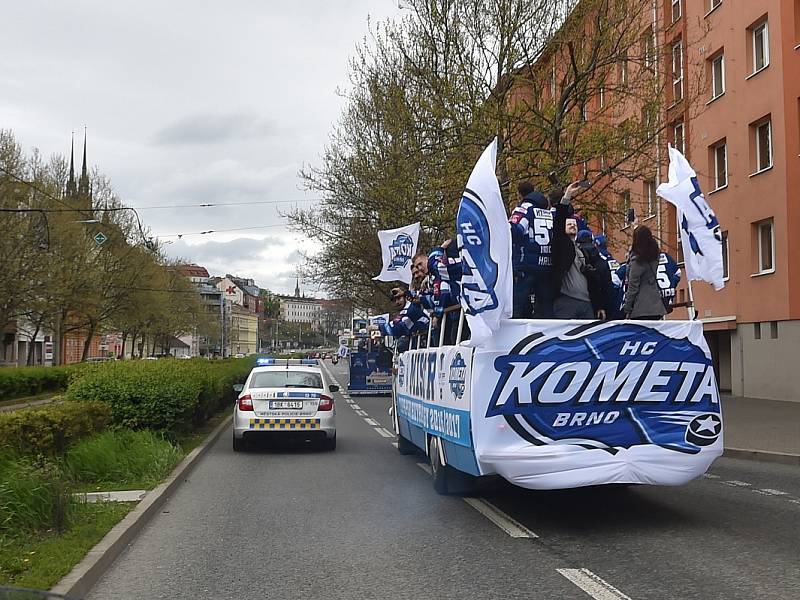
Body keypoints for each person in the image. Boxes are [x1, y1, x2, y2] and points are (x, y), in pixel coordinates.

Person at [551, 182, 612, 320]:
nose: (572, 224)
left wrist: (599, 306)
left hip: (587, 303)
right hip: (567, 302)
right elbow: (559, 222)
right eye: (569, 223)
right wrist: (567, 196)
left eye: (574, 223)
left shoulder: (584, 250)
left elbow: (594, 280)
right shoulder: (561, 245)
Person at [509, 182, 555, 318]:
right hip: (547, 266)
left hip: (526, 265)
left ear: (520, 193)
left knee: (516, 307)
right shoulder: (548, 212)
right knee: (546, 311)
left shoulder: (524, 209)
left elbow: (515, 231)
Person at [622, 225, 667, 320]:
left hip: (641, 308)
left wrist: (627, 308)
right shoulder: (655, 256)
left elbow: (633, 287)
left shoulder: (637, 261)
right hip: (656, 305)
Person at [374, 285, 430, 352]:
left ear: (405, 297)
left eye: (399, 298)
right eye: (394, 300)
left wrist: (378, 327)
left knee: (402, 345)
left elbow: (398, 328)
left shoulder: (409, 310)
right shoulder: (407, 308)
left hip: (427, 340)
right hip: (422, 340)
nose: (397, 302)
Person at [593, 234, 625, 320]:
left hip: (604, 299)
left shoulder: (598, 260)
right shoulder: (614, 261)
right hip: (617, 300)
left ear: (595, 245)